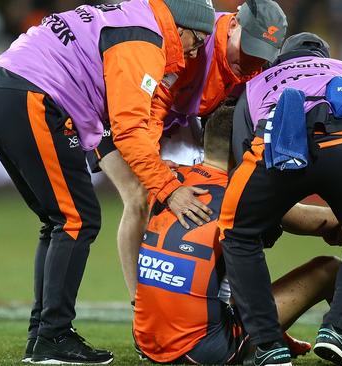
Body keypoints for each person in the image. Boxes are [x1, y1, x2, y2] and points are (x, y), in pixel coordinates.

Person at [134, 104, 342, 365]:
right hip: (204, 349)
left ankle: (265, 330)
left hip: (147, 338)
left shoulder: (171, 183)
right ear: (244, 143)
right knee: (329, 270)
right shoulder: (241, 193)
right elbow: (338, 227)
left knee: (238, 253)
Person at [0, 0, 215, 363]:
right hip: (33, 92)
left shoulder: (134, 18)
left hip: (5, 88)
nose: (196, 50)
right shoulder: (144, 40)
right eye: (197, 40)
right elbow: (130, 129)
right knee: (76, 219)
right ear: (180, 27)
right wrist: (169, 189)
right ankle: (53, 336)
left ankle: (44, 334)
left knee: (61, 220)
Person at [85, 0, 288, 302]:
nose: (251, 61)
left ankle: (221, 298)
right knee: (140, 196)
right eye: (247, 49)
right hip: (120, 109)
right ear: (233, 25)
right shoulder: (194, 42)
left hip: (174, 119)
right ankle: (141, 306)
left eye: (259, 55)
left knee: (215, 193)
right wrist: (153, 162)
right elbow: (150, 110)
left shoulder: (252, 66)